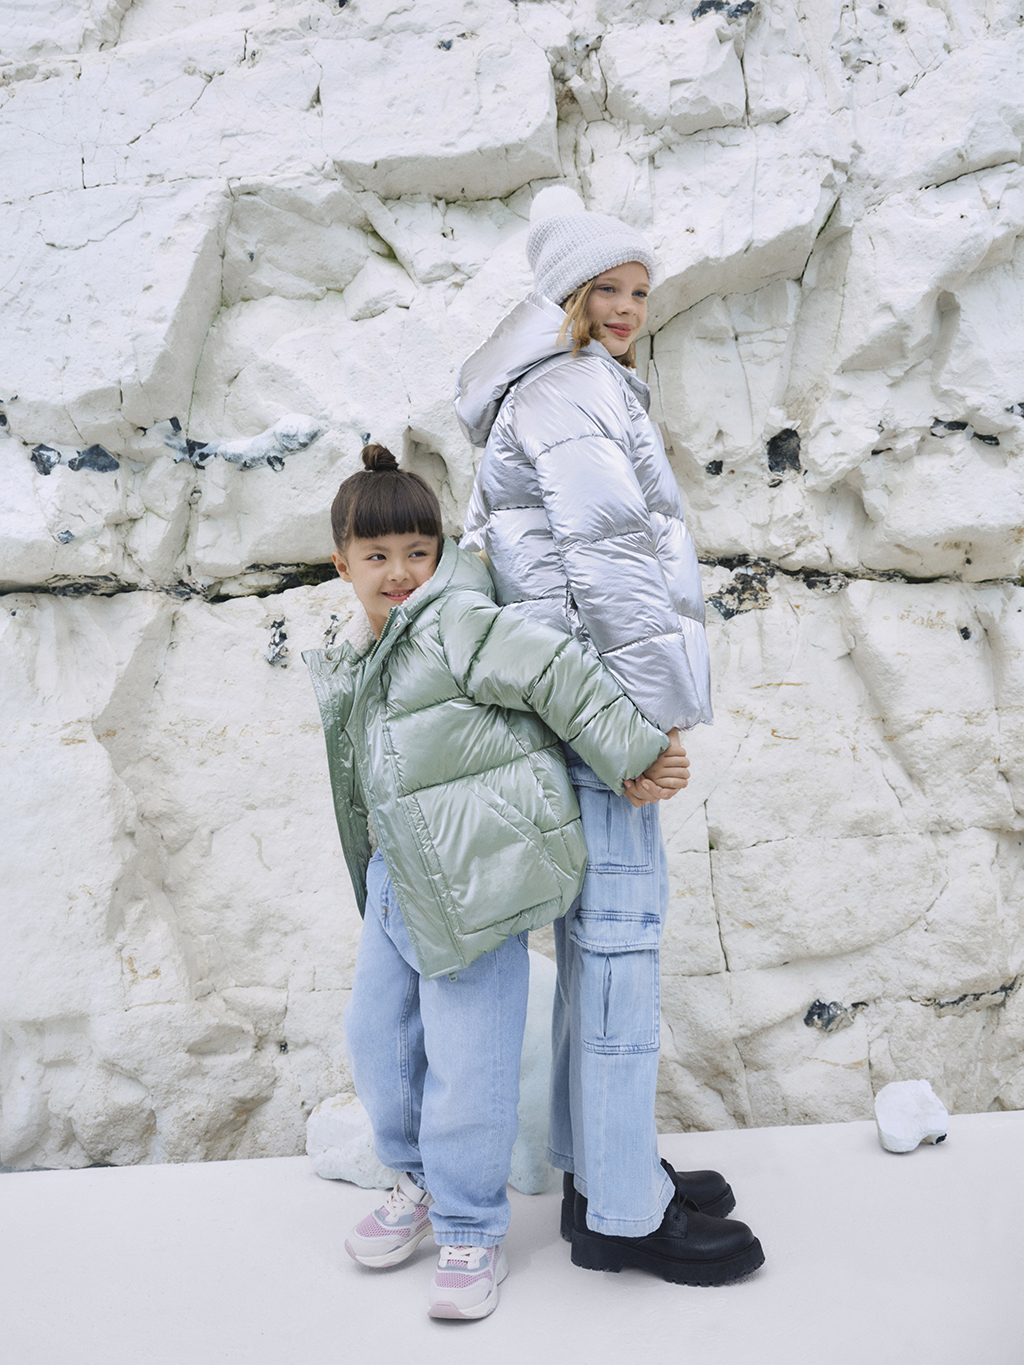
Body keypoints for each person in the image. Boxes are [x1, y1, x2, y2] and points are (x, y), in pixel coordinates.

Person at [455, 187, 765, 1285]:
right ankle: (622, 1219)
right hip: (602, 711)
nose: (630, 307)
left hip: (574, 703)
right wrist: (640, 732)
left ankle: (607, 1167)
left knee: (601, 950)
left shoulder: (550, 388)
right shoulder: (577, 388)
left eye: (640, 290)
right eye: (609, 290)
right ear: (569, 297)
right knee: (623, 953)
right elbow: (609, 564)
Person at [303, 443, 684, 1319]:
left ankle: (474, 1227)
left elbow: (553, 671)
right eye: (377, 556)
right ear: (343, 564)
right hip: (400, 883)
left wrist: (634, 748)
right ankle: (421, 1184)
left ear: (439, 555)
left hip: (475, 887)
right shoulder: (364, 648)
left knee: (468, 1067)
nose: (400, 573)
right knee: (377, 1036)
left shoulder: (455, 622)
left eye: (417, 552)